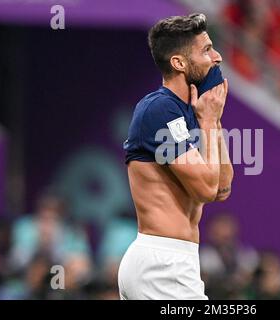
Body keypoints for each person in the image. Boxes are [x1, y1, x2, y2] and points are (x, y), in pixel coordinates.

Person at [118, 13, 234, 300]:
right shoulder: (158, 110)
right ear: (179, 63)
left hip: (176, 260)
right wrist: (207, 124)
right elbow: (206, 189)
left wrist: (214, 121)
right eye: (206, 50)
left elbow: (222, 188)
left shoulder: (188, 113)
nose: (217, 57)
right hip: (161, 262)